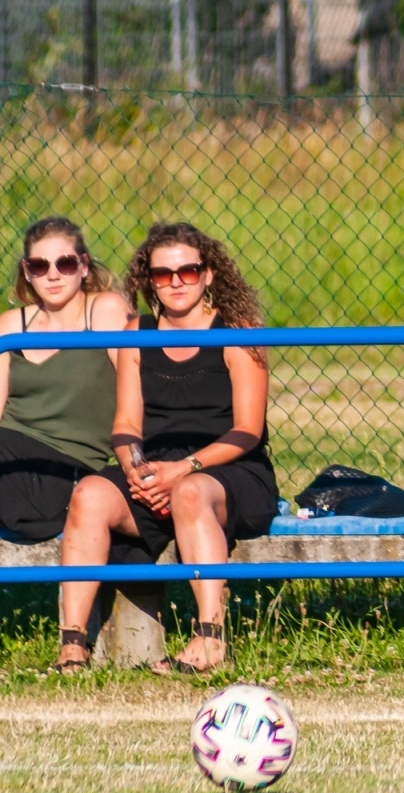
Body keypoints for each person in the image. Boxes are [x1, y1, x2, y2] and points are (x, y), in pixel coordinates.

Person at [55, 223, 278, 675]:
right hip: (156, 465)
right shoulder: (135, 332)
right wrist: (137, 470)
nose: (176, 282)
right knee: (89, 495)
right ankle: (73, 646)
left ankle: (210, 638)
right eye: (162, 274)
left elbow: (248, 431)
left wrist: (182, 471)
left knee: (191, 492)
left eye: (188, 271)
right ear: (147, 280)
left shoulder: (238, 332)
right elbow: (126, 424)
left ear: (209, 274)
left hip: (228, 467)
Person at [0, 218, 134, 543]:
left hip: (66, 469)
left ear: (84, 265)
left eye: (65, 262)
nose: (53, 274)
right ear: (27, 271)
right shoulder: (11, 325)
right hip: (9, 458)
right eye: (39, 265)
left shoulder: (105, 312)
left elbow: (138, 391)